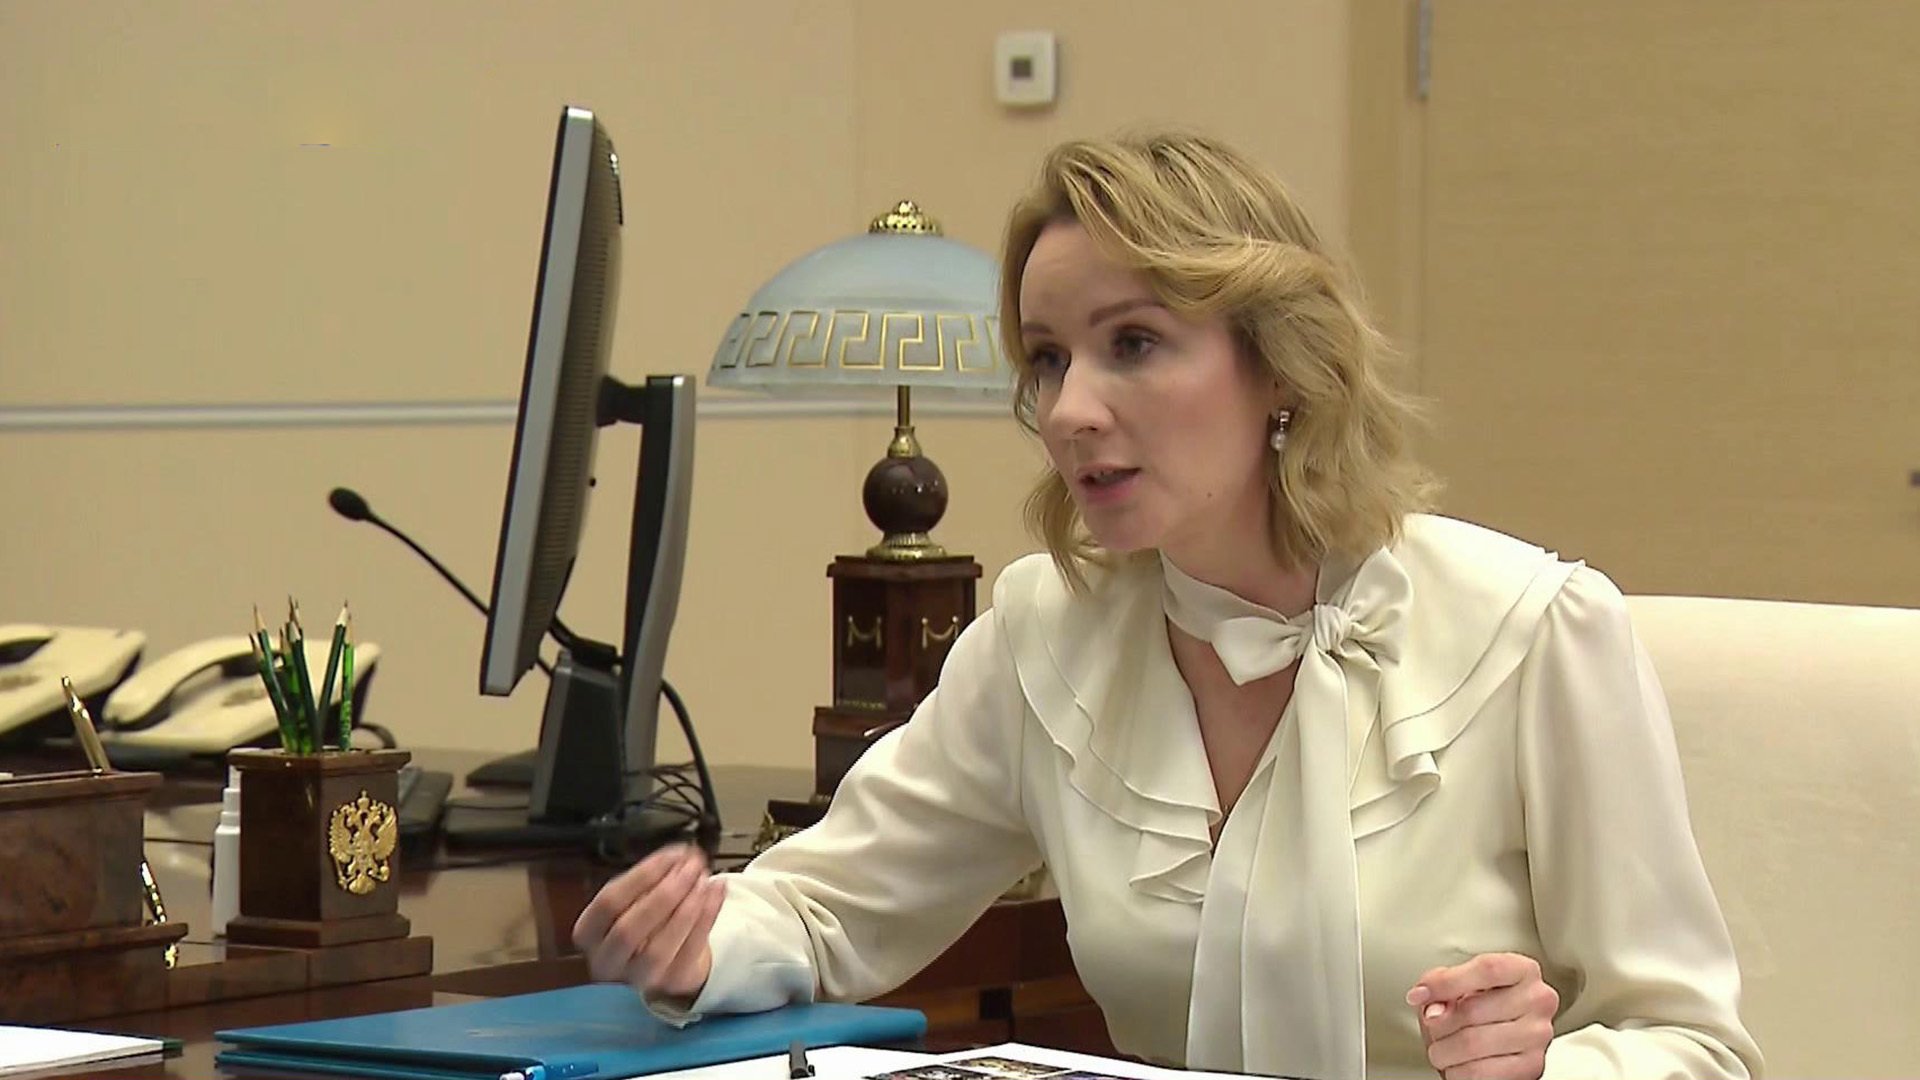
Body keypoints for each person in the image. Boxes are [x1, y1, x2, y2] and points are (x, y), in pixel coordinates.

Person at [573, 132, 1764, 1080]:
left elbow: (1694, 1045)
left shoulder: (1532, 632)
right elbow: (827, 906)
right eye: (1048, 358)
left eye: (1134, 344)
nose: (1070, 411)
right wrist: (694, 943)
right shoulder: (1048, 637)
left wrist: (1542, 1068)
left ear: (1279, 366)